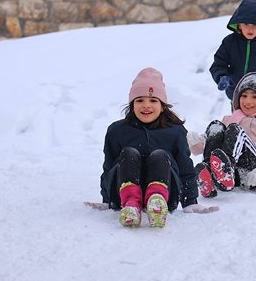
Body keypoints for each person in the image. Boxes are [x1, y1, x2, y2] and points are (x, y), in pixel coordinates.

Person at [92, 68, 218, 228]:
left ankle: (156, 201)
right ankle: (131, 204)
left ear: (163, 105)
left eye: (153, 100)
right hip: (123, 194)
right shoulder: (117, 130)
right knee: (129, 153)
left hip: (166, 194)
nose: (146, 106)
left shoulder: (175, 131)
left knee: (160, 155)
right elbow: (109, 167)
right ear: (131, 105)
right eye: (139, 100)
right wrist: (107, 199)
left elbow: (185, 168)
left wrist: (190, 201)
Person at [187, 72, 256, 197]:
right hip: (232, 177)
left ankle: (226, 170)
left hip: (253, 172)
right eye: (244, 95)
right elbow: (208, 141)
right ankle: (210, 174)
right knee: (216, 126)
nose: (247, 101)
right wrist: (195, 143)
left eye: (255, 97)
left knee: (234, 130)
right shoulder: (229, 119)